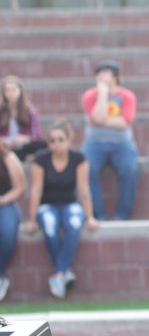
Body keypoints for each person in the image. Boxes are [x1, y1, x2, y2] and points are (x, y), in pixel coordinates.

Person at [22, 120, 99, 299]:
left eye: (60, 139)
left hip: (69, 203)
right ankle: (64, 272)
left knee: (73, 224)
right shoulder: (40, 160)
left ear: (69, 139)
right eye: (52, 140)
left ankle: (59, 273)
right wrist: (32, 219)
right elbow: (35, 190)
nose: (56, 144)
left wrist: (90, 217)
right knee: (50, 225)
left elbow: (83, 189)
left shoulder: (78, 159)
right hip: (47, 205)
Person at [81, 60, 139, 220]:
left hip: (122, 144)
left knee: (129, 170)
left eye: (105, 73)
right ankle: (98, 214)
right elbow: (94, 119)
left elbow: (124, 122)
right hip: (94, 144)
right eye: (99, 73)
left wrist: (101, 121)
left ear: (115, 77)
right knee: (87, 169)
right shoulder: (90, 95)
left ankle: (122, 215)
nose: (101, 76)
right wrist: (102, 94)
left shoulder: (127, 96)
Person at [0, 140, 26, 302]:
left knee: (7, 231)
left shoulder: (8, 157)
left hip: (5, 203)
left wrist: (2, 200)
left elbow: (20, 188)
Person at [0, 75, 47, 160]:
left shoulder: (30, 110)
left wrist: (25, 138)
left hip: (22, 145)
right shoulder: (1, 111)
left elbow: (37, 134)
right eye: (7, 90)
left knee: (42, 144)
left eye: (13, 90)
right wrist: (6, 141)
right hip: (5, 145)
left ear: (20, 91)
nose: (10, 93)